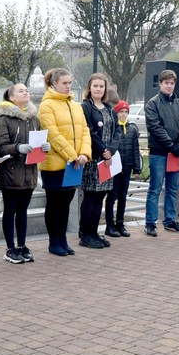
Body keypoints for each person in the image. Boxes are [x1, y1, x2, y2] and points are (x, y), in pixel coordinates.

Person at [38, 68, 91, 255]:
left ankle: (63, 240)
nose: (68, 86)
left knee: (66, 202)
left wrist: (84, 153)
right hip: (55, 164)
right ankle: (54, 242)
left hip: (74, 163)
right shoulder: (47, 105)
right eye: (64, 83)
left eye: (70, 83)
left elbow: (85, 130)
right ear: (54, 84)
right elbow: (53, 134)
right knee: (54, 203)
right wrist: (72, 155)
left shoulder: (76, 106)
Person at [0, 82, 49, 264]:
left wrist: (44, 147)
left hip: (29, 172)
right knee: (10, 211)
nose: (25, 92)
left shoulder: (33, 118)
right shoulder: (5, 119)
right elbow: (1, 147)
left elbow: (38, 139)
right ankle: (10, 248)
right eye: (21, 91)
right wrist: (18, 147)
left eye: (26, 90)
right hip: (11, 172)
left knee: (23, 211)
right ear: (11, 98)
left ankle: (22, 245)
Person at [143, 69, 179, 235]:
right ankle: (150, 222)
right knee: (155, 188)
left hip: (176, 152)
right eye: (166, 83)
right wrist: (171, 145)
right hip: (159, 153)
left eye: (172, 83)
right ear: (160, 84)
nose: (169, 86)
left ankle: (170, 220)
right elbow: (155, 127)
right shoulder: (152, 104)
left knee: (173, 188)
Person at [79, 73, 121, 249]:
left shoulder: (109, 109)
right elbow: (88, 131)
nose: (98, 89)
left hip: (107, 160)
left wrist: (110, 150)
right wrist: (103, 150)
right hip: (93, 159)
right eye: (95, 86)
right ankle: (85, 234)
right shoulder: (86, 107)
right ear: (89, 88)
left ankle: (95, 232)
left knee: (100, 197)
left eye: (101, 86)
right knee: (90, 196)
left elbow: (117, 132)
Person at [105, 101, 142, 237]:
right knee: (112, 196)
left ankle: (120, 223)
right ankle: (110, 224)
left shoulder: (132, 129)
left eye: (126, 112)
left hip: (126, 167)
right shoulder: (113, 128)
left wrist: (136, 167)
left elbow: (135, 149)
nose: (124, 114)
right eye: (121, 112)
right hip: (115, 168)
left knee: (123, 197)